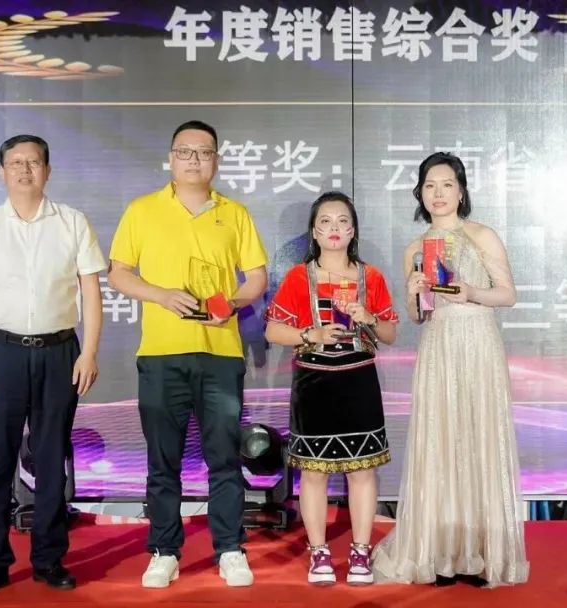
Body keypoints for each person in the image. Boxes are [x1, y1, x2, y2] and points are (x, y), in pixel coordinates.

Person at [106, 120, 268, 588]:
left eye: (204, 152)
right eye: (185, 151)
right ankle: (164, 550)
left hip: (220, 352)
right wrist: (160, 295)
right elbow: (118, 273)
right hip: (161, 353)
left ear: (216, 160)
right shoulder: (142, 210)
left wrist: (232, 304)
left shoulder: (234, 214)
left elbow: (256, 277)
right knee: (163, 460)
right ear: (171, 159)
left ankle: (230, 548)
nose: (194, 160)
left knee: (224, 457)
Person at [0, 134, 107, 592]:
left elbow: (91, 292)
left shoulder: (72, 222)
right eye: (16, 163)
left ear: (48, 170)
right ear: (1, 172)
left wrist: (89, 352)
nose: (25, 170)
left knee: (51, 459)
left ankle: (49, 558)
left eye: (34, 162)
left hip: (60, 353)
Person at [371, 152, 529, 587]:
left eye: (446, 184)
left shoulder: (482, 235)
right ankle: (440, 552)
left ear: (461, 191)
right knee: (440, 441)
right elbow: (418, 315)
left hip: (478, 344)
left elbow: (508, 295)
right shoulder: (415, 249)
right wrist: (414, 293)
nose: (438, 193)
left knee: (479, 438)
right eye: (429, 185)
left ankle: (482, 553)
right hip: (439, 346)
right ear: (420, 194)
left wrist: (470, 291)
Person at [265, 191, 398, 586]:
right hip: (314, 383)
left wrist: (368, 317)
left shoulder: (371, 277)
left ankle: (360, 551)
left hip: (359, 382)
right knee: (313, 473)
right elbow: (273, 330)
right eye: (325, 221)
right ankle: (319, 551)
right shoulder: (298, 277)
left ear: (353, 230)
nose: (334, 228)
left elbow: (390, 334)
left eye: (342, 221)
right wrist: (312, 334)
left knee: (363, 471)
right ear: (314, 232)